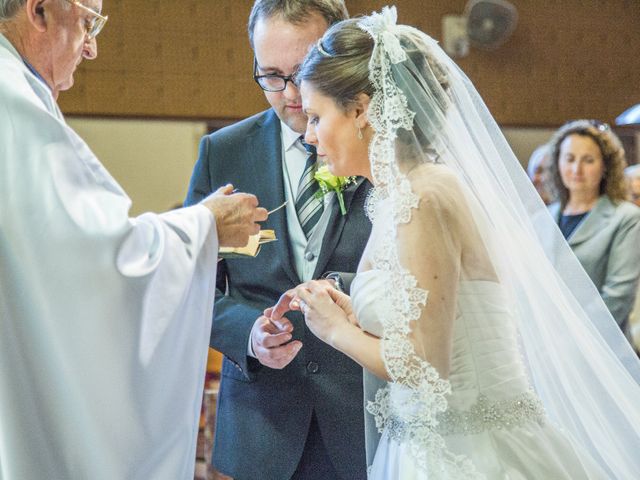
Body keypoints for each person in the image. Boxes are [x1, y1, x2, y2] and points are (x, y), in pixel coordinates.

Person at [269, 7, 640, 479]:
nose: (310, 134)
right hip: (425, 444)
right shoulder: (397, 196)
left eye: (318, 117)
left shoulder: (425, 195)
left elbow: (425, 364)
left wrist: (337, 332)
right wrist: (349, 308)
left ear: (361, 110)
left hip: (470, 454)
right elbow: (424, 314)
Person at [0, 1, 267, 479]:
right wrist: (203, 225)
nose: (94, 47)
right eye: (88, 22)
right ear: (39, 10)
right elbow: (103, 263)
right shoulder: (13, 103)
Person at [184, 1, 371, 478]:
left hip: (367, 418)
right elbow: (190, 285)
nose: (289, 94)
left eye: (303, 70)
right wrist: (249, 332)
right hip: (260, 426)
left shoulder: (381, 144)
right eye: (270, 75)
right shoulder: (222, 153)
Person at [547, 120, 640, 328]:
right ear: (557, 163)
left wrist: (569, 333)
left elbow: (617, 297)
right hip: (544, 348)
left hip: (600, 346)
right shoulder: (541, 219)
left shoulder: (626, 218)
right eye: (569, 159)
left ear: (605, 166)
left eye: (588, 160)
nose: (576, 169)